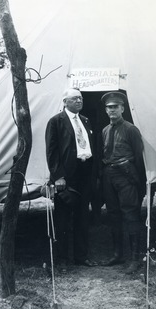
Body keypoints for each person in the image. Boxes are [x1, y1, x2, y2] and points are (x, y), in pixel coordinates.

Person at [45, 88, 97, 268]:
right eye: (75, 99)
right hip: (67, 176)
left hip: (85, 173)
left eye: (81, 99)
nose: (79, 101)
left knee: (83, 217)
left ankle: (81, 257)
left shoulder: (86, 121)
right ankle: (63, 260)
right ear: (65, 101)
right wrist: (58, 177)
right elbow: (52, 152)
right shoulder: (56, 122)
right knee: (63, 219)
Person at [101, 91, 147, 274]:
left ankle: (135, 259)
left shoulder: (131, 129)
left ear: (122, 109)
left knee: (130, 214)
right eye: (109, 107)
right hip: (109, 175)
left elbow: (139, 157)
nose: (112, 110)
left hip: (126, 176)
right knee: (113, 214)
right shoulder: (105, 130)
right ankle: (117, 254)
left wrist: (139, 182)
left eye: (115, 107)